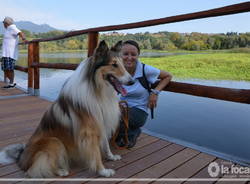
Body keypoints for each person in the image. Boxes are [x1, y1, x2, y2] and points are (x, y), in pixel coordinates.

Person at [116, 40, 172, 148]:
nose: (129, 57)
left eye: (133, 54)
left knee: (115, 117)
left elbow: (168, 76)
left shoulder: (145, 69)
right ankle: (125, 133)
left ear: (138, 55)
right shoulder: (117, 70)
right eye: (125, 54)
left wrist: (155, 93)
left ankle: (133, 133)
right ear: (120, 55)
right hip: (122, 107)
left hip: (139, 111)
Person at [1, 16, 27, 88]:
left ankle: (11, 83)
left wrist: (24, 38)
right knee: (4, 69)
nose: (3, 25)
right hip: (5, 54)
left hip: (10, 53)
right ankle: (12, 82)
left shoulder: (12, 27)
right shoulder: (8, 29)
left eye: (4, 23)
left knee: (9, 69)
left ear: (6, 23)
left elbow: (20, 32)